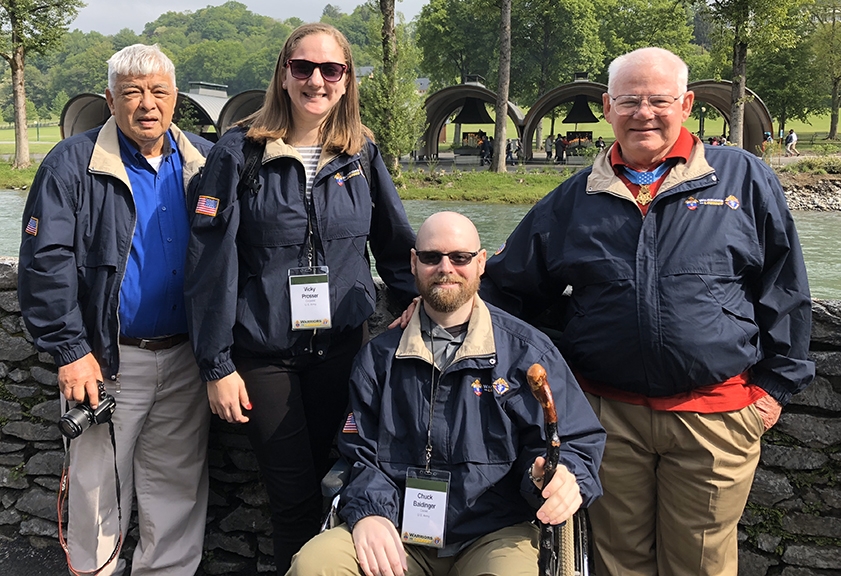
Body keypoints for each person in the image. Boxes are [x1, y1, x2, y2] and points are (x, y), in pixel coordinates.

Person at [480, 47, 814, 576]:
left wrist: (774, 390)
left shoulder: (742, 179)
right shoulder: (573, 198)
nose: (644, 113)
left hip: (717, 415)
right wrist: (430, 304)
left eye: (659, 100)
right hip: (608, 418)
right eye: (629, 100)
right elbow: (506, 286)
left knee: (700, 566)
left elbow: (785, 288)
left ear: (686, 104)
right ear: (608, 108)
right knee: (618, 564)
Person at [184, 22, 417, 573]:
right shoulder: (239, 151)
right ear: (284, 75)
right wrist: (216, 364)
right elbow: (208, 265)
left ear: (346, 80)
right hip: (265, 357)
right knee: (291, 500)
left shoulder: (361, 152)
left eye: (330, 69)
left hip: (344, 352)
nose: (317, 80)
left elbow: (395, 241)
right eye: (303, 68)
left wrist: (416, 306)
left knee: (342, 483)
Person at [288, 211, 605, 576]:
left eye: (460, 257)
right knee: (316, 565)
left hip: (495, 532)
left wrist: (565, 476)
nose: (445, 268)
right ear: (413, 262)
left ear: (481, 262)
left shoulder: (529, 353)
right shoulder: (378, 358)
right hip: (398, 528)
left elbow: (576, 440)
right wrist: (370, 513)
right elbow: (360, 453)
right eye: (431, 257)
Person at [18, 44, 212, 575]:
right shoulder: (71, 163)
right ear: (109, 99)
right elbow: (44, 263)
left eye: (159, 91)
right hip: (105, 361)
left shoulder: (206, 160)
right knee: (96, 487)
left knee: (175, 487)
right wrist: (70, 349)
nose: (146, 104)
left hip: (185, 358)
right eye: (131, 92)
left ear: (177, 98)